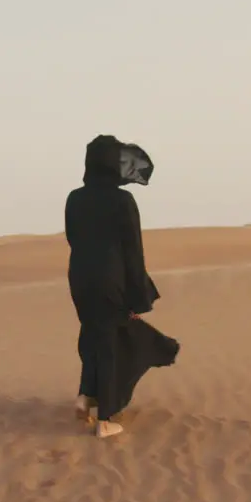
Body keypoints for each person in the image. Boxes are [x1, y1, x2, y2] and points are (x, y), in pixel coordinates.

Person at [64, 134, 167, 438]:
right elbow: (133, 250)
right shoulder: (122, 200)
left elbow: (73, 238)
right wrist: (139, 296)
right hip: (112, 278)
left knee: (92, 332)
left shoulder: (75, 197)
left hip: (80, 277)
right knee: (110, 342)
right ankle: (107, 419)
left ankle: (86, 398)